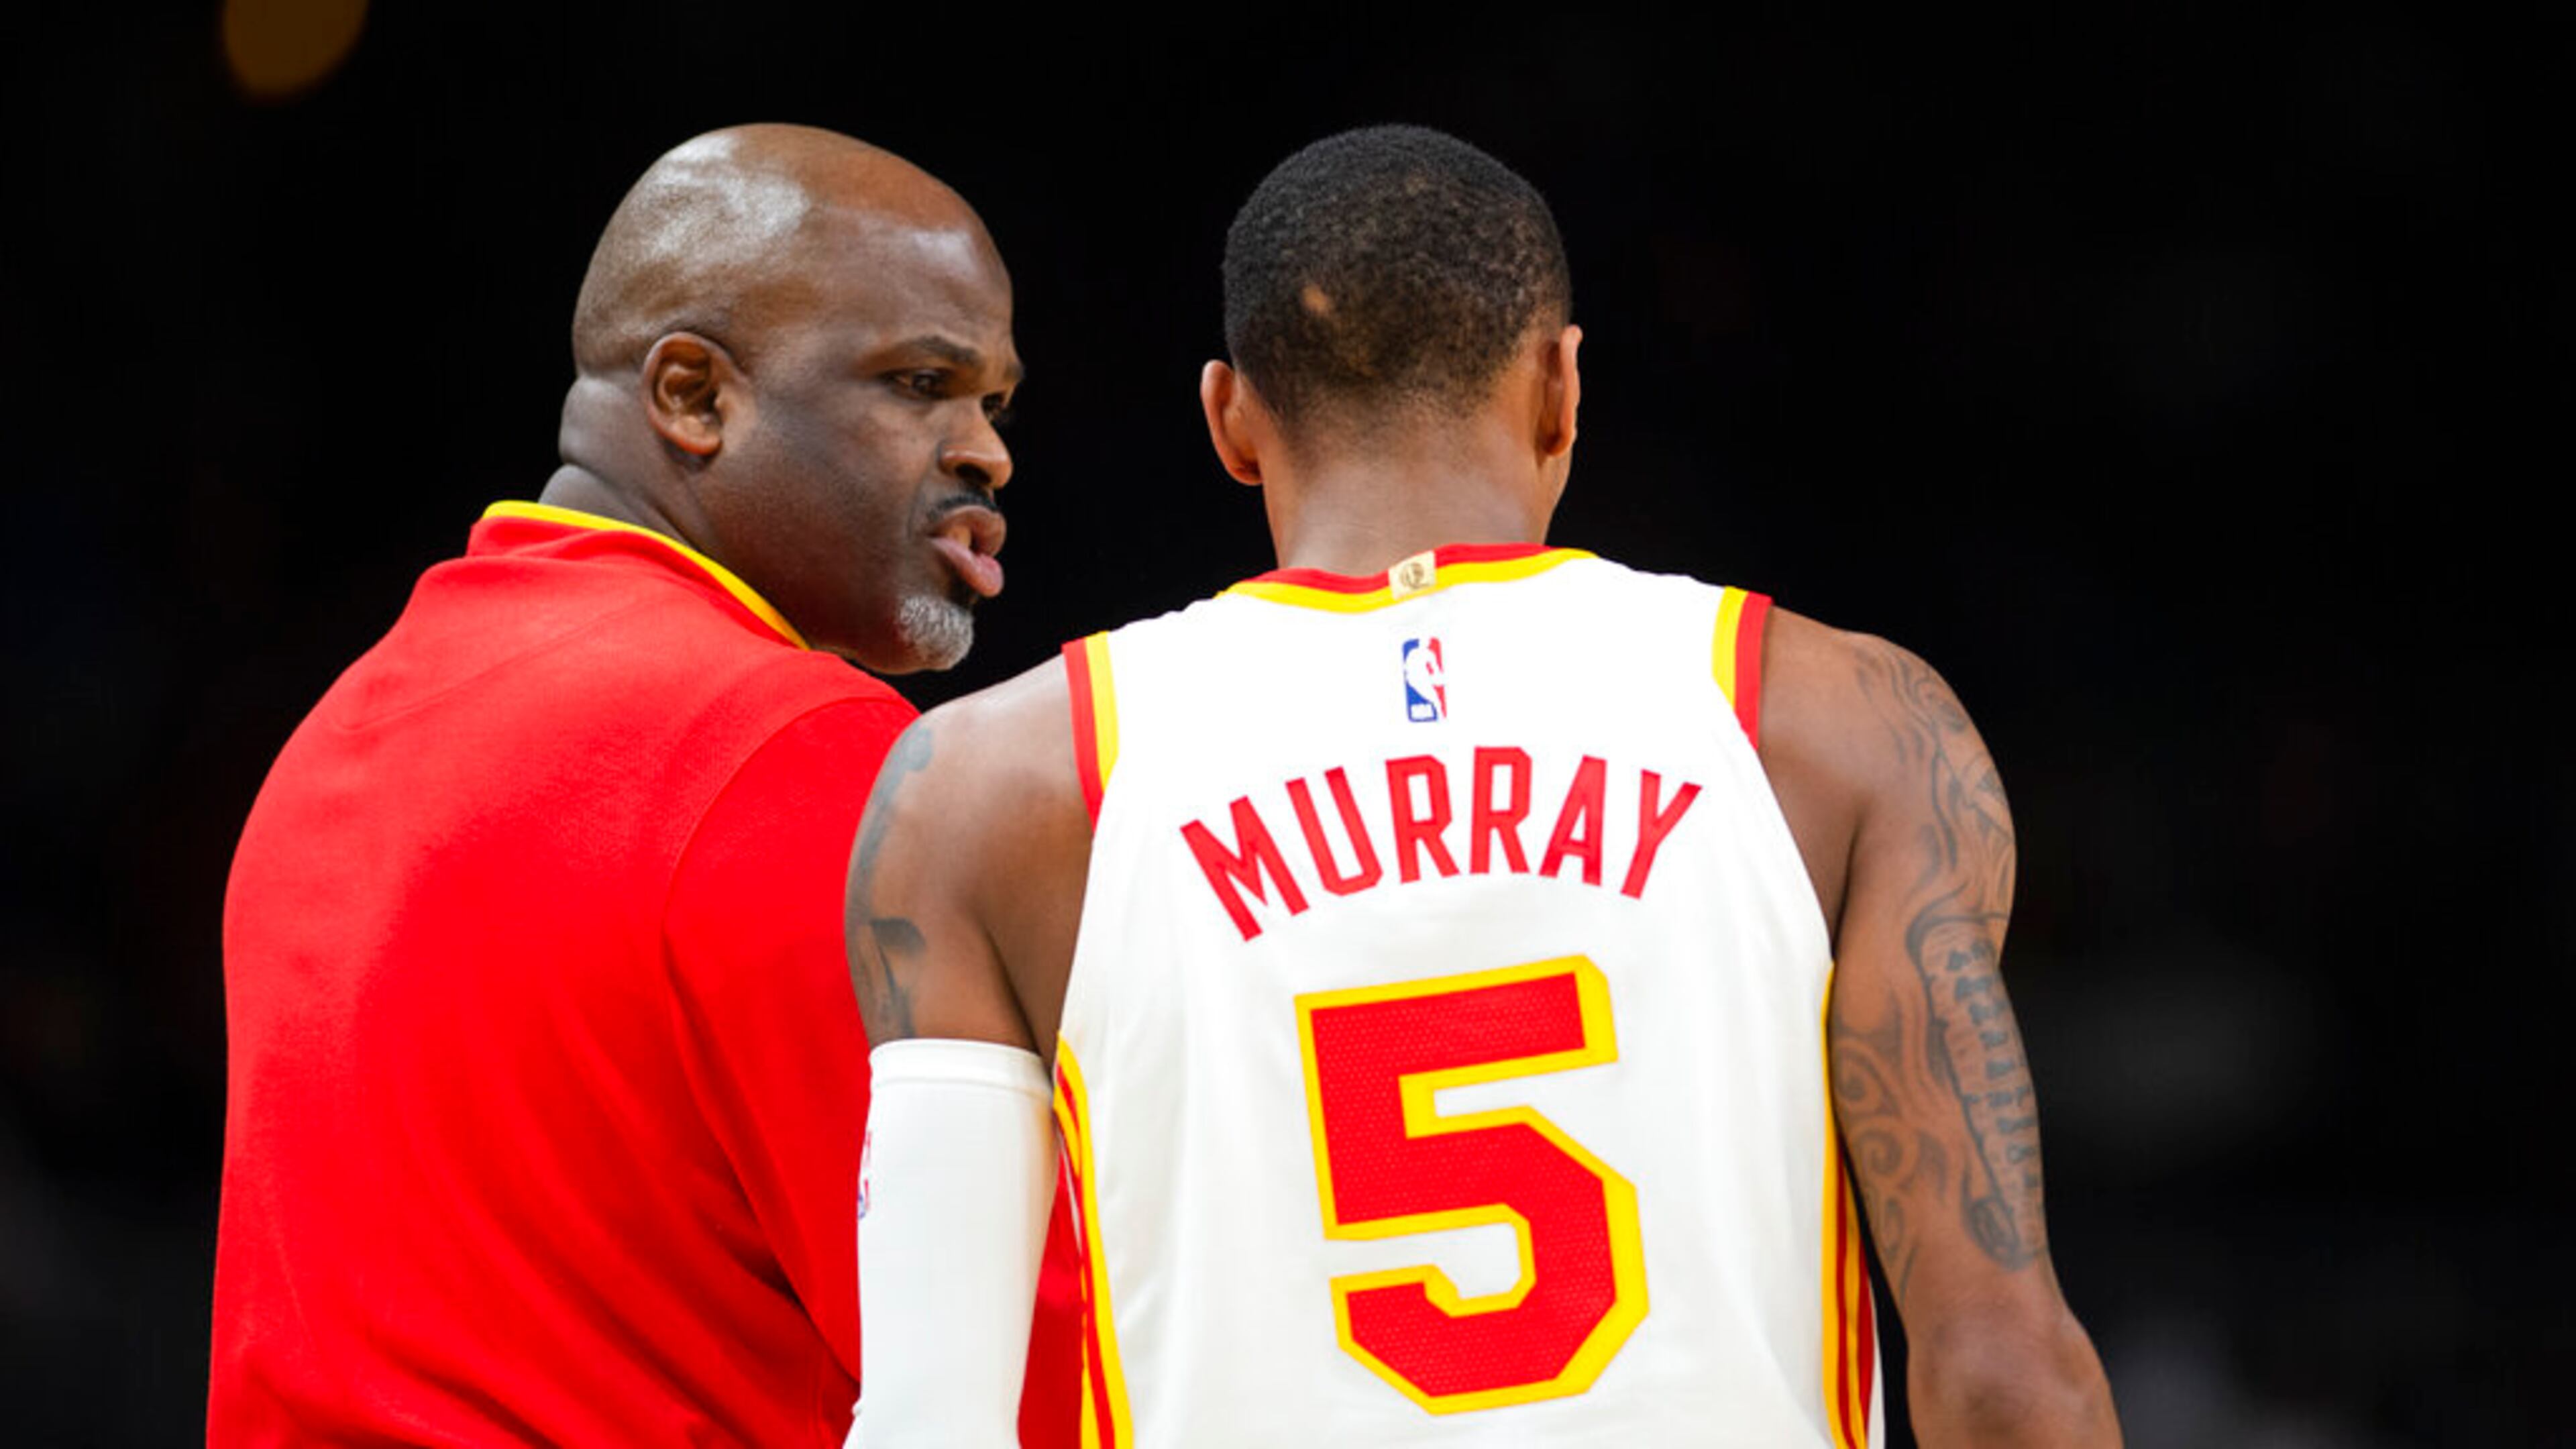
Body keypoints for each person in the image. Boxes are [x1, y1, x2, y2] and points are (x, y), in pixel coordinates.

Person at [843, 125, 2125, 1448]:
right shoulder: (1841, 724)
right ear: (1562, 388)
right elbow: (2003, 1377)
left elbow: (928, 1425)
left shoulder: (991, 788)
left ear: (1229, 420)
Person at [211, 123, 1077, 1448]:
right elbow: (1012, 1351)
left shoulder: (339, 730)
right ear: (692, 396)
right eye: (921, 384)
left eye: (994, 406)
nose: (986, 453)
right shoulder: (790, 745)